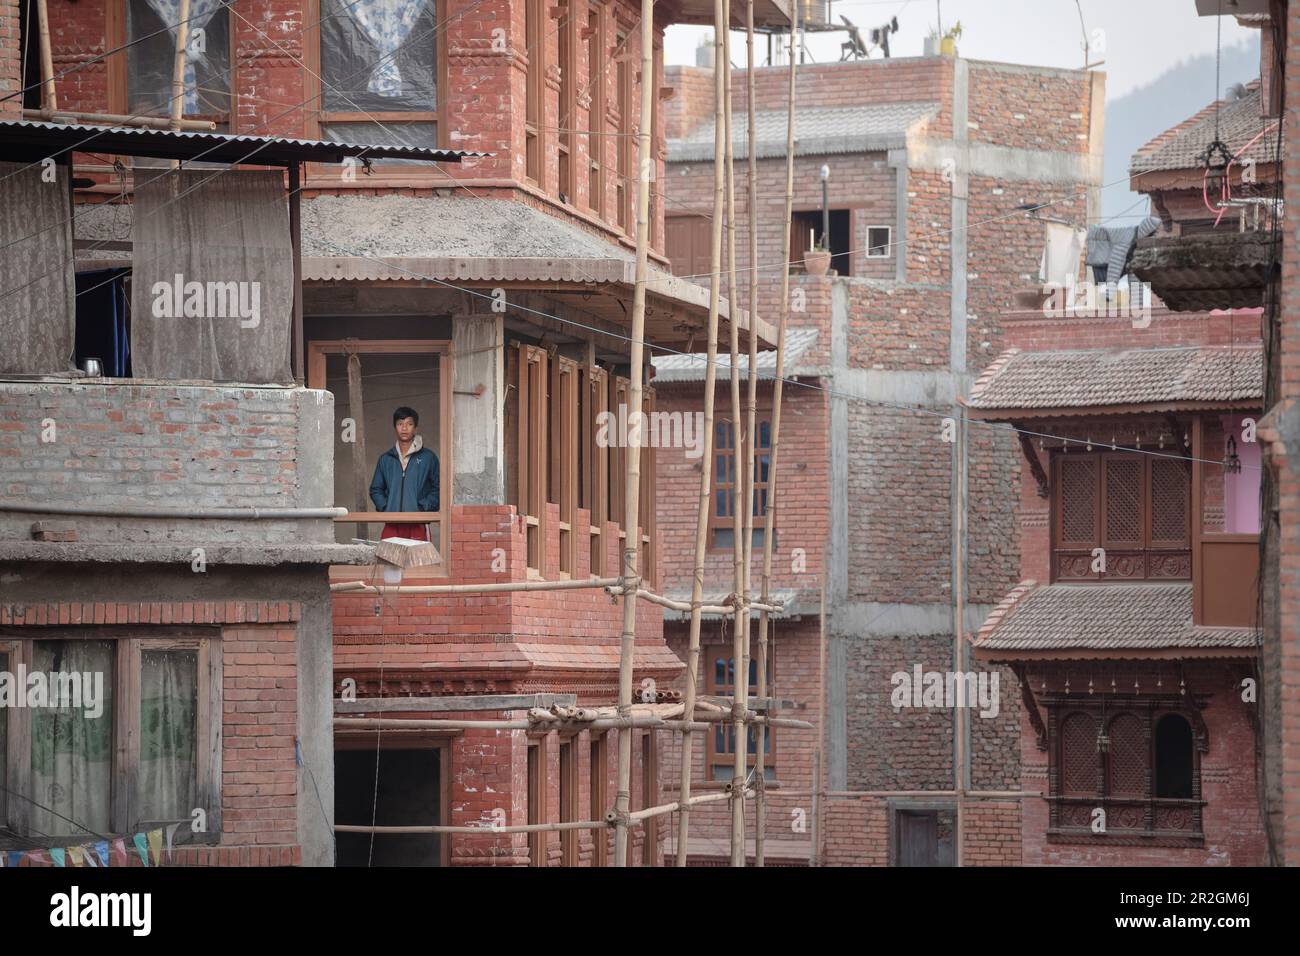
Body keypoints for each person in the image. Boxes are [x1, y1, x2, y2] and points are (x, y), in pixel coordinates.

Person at [369, 406, 439, 541]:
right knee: (388, 561)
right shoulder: (386, 459)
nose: (404, 428)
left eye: (409, 424)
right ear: (395, 427)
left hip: (418, 523)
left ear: (416, 428)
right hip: (392, 523)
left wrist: (422, 507)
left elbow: (439, 488)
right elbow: (375, 489)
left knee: (418, 561)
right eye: (400, 424)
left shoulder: (428, 457)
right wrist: (386, 507)